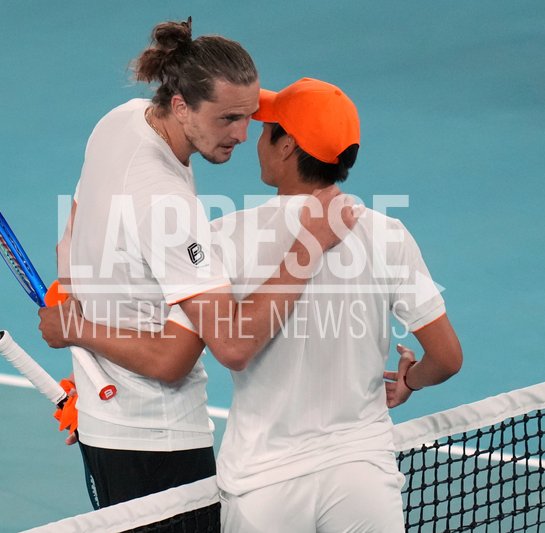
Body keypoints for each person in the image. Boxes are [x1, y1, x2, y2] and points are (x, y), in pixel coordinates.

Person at [42, 77, 462, 531]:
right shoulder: (389, 236)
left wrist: (79, 334)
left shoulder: (224, 239)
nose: (250, 138)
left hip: (264, 488)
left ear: (287, 146)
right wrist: (409, 380)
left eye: (264, 130)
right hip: (363, 479)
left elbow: (171, 356)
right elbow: (447, 359)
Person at [46, 19, 360, 515]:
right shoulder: (167, 204)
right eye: (228, 118)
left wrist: (74, 311)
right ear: (180, 106)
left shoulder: (119, 122)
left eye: (250, 116)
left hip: (103, 425)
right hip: (159, 446)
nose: (243, 134)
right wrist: (311, 245)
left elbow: (72, 234)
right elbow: (224, 347)